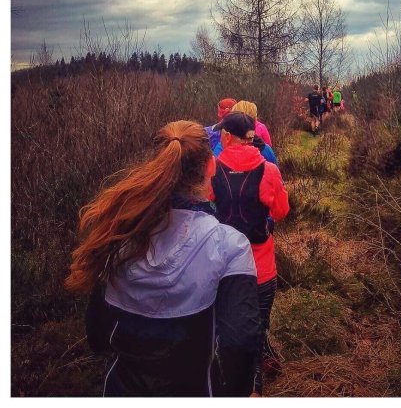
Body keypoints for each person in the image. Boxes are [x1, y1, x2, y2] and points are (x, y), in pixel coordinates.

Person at [65, 120, 260, 397]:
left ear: (156, 168)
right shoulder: (231, 246)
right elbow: (240, 342)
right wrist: (240, 392)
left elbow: (97, 336)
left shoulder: (118, 238)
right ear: (211, 166)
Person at [211, 112, 289, 396]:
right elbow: (282, 211)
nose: (219, 136)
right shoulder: (269, 170)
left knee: (226, 332)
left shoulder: (212, 169)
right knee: (257, 330)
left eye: (221, 132)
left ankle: (231, 386)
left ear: (228, 136)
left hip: (225, 268)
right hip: (262, 267)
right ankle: (253, 386)